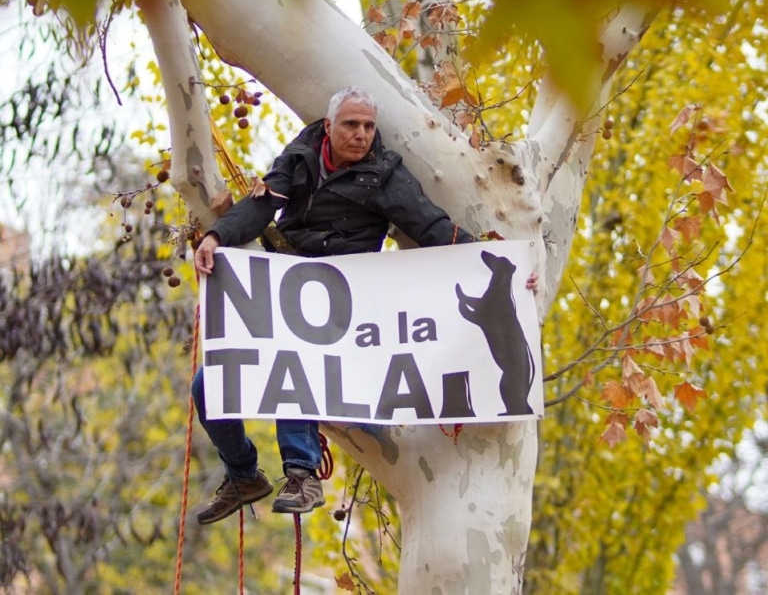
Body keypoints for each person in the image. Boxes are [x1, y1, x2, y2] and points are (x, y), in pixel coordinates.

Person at [191, 87, 537, 524]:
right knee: (208, 385)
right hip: (285, 289)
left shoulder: (385, 174)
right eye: (351, 125)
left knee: (295, 368)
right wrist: (216, 235)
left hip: (343, 306)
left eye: (369, 127)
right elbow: (262, 206)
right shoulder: (298, 158)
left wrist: (502, 267)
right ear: (329, 127)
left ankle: (302, 474)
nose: (361, 135)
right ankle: (243, 474)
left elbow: (433, 227)